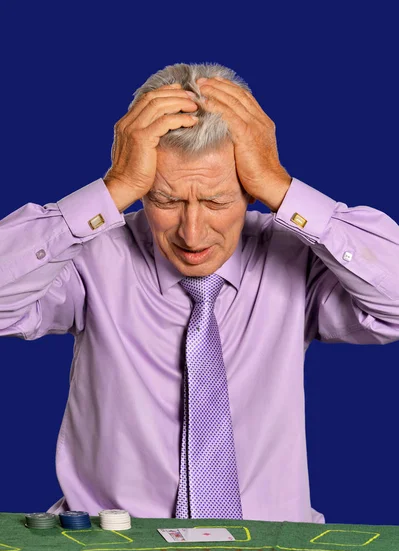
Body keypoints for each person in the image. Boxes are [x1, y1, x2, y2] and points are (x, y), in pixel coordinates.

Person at [1, 62, 399, 524]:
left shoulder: (295, 256)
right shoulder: (93, 255)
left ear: (250, 191)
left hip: (272, 549)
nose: (192, 233)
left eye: (216, 201)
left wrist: (281, 187)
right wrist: (113, 190)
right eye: (166, 201)